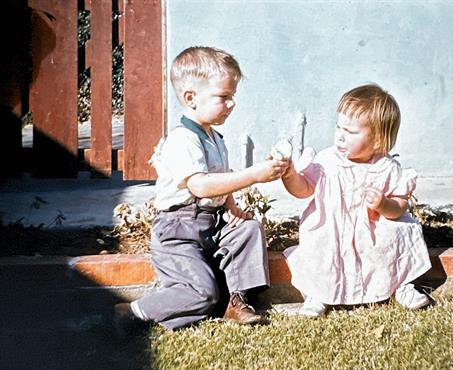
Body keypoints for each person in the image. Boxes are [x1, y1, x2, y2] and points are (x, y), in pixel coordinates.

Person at [114, 46, 289, 333]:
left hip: (211, 223)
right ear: (191, 98)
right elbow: (201, 185)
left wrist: (232, 206)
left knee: (248, 230)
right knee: (202, 293)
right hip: (178, 232)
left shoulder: (214, 137)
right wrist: (254, 175)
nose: (232, 104)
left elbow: (220, 178)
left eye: (232, 97)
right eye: (224, 97)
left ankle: (235, 299)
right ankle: (134, 311)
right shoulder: (182, 140)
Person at [280, 84, 432, 317]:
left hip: (371, 229)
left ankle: (401, 285)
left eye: (351, 132)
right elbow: (303, 190)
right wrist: (290, 175)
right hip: (333, 226)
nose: (340, 136)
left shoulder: (387, 168)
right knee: (322, 247)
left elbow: (398, 208)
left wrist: (383, 204)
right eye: (339, 127)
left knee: (396, 236)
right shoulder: (326, 161)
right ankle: (318, 293)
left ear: (378, 140)